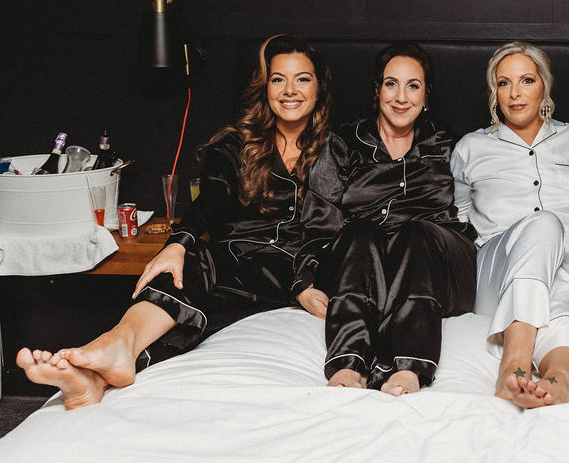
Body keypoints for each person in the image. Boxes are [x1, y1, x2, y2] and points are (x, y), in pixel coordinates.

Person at [17, 33, 342, 408]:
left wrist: (305, 282)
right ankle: (104, 360)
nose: (290, 89)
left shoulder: (341, 152)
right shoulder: (234, 144)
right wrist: (178, 242)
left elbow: (340, 228)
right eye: (278, 78)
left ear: (320, 88)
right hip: (234, 265)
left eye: (303, 78)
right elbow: (214, 195)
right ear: (264, 86)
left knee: (206, 287)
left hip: (296, 272)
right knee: (190, 270)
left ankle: (103, 361)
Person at [292, 42, 477, 396]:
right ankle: (350, 361)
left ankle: (411, 366)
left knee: (417, 232)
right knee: (360, 230)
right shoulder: (344, 143)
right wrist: (304, 283)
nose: (401, 97)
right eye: (391, 84)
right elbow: (319, 222)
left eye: (413, 86)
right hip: (362, 263)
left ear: (427, 94)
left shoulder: (447, 144)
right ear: (377, 91)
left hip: (430, 262)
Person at [451, 42, 569, 408]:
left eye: (526, 80)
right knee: (542, 224)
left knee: (567, 274)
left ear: (544, 86)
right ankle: (515, 362)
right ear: (494, 92)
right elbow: (459, 219)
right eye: (504, 83)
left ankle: (560, 376)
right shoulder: (470, 148)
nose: (515, 93)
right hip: (499, 265)